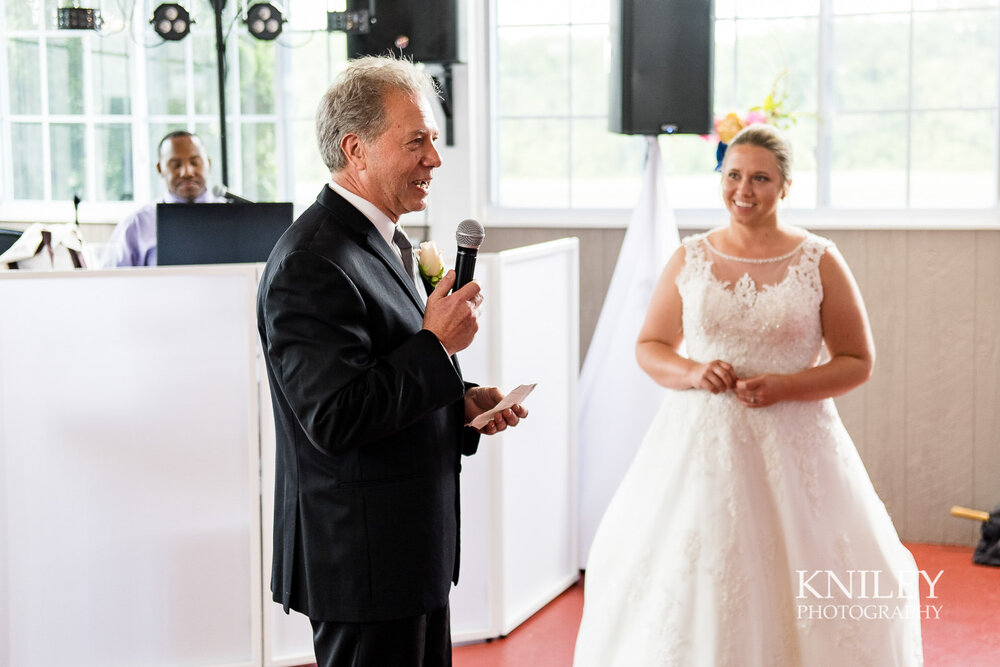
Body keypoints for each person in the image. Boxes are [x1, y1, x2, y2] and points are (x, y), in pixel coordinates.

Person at [573, 124, 922, 666]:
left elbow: (858, 361)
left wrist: (786, 385)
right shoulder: (689, 257)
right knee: (699, 570)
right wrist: (692, 372)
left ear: (785, 186)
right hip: (701, 445)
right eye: (733, 175)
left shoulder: (819, 259)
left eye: (760, 177)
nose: (744, 189)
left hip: (798, 442)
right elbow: (651, 346)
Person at [256, 56, 527, 667]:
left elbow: (381, 370)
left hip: (407, 554)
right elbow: (334, 417)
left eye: (433, 139)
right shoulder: (312, 262)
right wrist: (436, 348)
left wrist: (460, 400)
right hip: (364, 563)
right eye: (417, 141)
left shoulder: (382, 240)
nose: (435, 158)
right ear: (357, 149)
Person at [105, 130, 223, 266]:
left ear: (208, 164)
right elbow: (111, 281)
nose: (187, 172)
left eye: (195, 162)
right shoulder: (137, 224)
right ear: (160, 169)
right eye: (176, 165)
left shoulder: (236, 218)